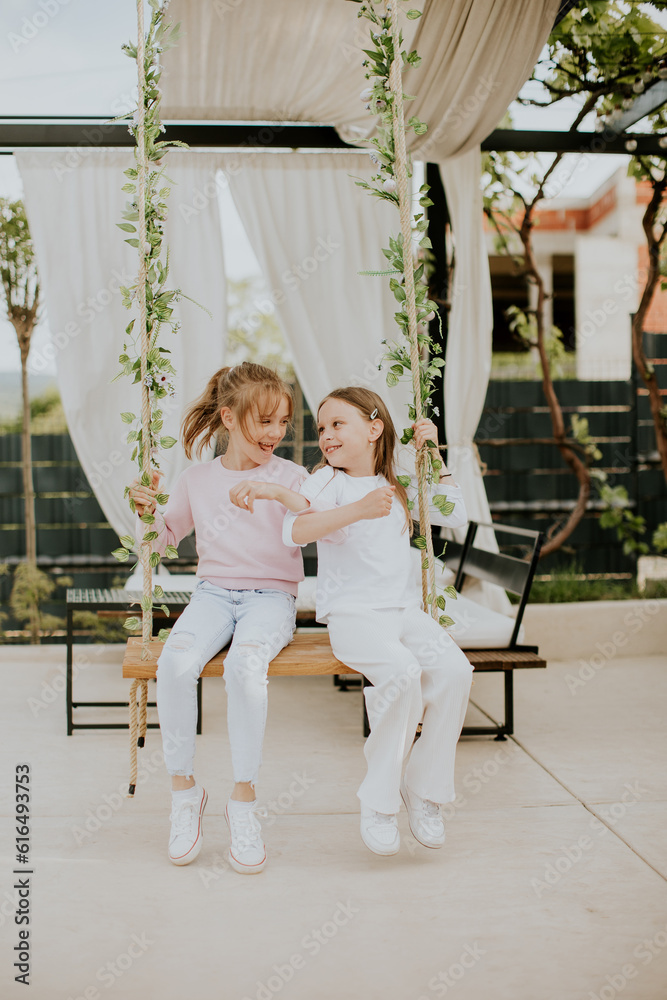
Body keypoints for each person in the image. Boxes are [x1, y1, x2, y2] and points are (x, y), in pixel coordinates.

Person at [233, 386, 474, 857]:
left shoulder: (400, 483)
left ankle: (422, 790)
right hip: (353, 615)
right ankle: (379, 800)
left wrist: (434, 454)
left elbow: (454, 514)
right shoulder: (326, 481)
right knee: (402, 676)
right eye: (321, 428)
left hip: (404, 612)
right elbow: (295, 529)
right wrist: (360, 508)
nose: (325, 436)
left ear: (374, 428)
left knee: (454, 672)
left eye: (337, 425)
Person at [128, 362, 310, 873]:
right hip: (212, 595)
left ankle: (244, 802)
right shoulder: (197, 479)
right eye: (264, 422)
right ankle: (185, 795)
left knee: (244, 669)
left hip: (270, 599)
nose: (275, 434)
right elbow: (163, 541)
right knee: (174, 665)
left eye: (282, 423)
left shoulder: (293, 477)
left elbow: (323, 526)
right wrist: (146, 512)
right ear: (228, 417)